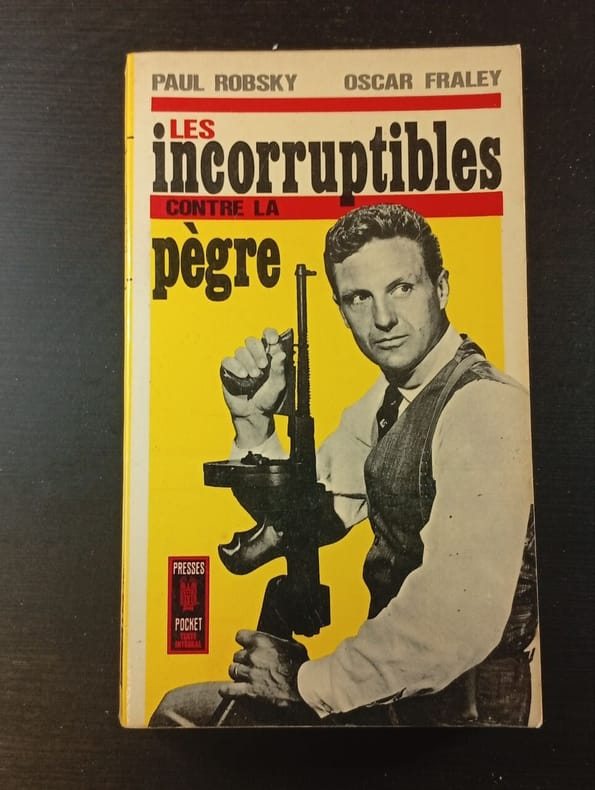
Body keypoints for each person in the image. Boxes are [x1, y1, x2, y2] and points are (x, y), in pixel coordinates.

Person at [151, 203, 537, 727]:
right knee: (181, 712)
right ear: (341, 309)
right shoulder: (391, 398)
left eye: (401, 288)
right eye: (360, 297)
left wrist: (306, 683)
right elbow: (306, 515)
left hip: (459, 718)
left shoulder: (485, 407)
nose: (383, 318)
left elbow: (457, 617)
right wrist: (253, 422)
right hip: (393, 699)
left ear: (442, 288)